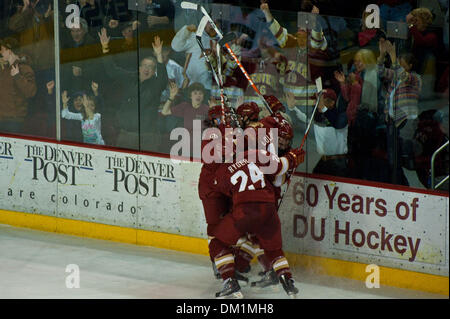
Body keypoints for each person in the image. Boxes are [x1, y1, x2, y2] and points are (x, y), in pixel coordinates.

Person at [209, 146, 304, 298]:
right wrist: (292, 159)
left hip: (245, 210)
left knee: (216, 243)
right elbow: (279, 177)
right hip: (269, 209)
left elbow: (225, 191)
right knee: (273, 250)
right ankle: (288, 282)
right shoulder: (255, 154)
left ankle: (229, 282)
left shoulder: (222, 171)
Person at [0, 37, 37, 135]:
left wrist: (17, 76)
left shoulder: (25, 69)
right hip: (2, 118)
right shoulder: (4, 70)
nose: (0, 52)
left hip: (15, 120)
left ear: (9, 51)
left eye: (2, 50)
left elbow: (31, 92)